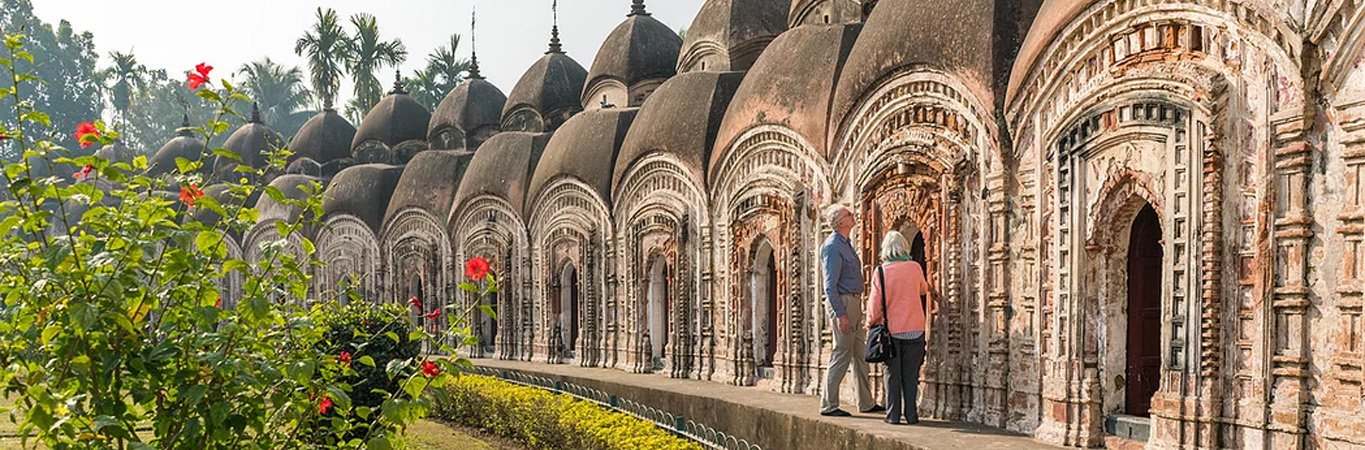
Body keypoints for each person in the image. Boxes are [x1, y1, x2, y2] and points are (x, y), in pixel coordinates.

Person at [865, 231, 934, 425]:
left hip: (891, 332)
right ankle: (911, 415)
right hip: (915, 329)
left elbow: (875, 304)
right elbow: (923, 288)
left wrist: (870, 322)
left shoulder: (881, 272)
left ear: (885, 249)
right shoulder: (914, 267)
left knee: (892, 375)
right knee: (911, 375)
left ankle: (893, 416)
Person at [819, 204, 882, 417]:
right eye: (848, 214)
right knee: (841, 352)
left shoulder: (845, 244)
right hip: (843, 303)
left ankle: (865, 402)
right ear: (840, 222)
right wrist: (840, 313)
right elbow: (829, 285)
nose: (852, 215)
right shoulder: (832, 246)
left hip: (853, 302)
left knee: (860, 354)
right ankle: (828, 404)